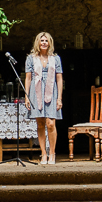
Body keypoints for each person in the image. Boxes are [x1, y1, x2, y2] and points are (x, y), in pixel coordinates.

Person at [24, 31, 64, 165]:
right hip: (36, 91)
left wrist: (59, 98)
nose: (44, 43)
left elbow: (59, 78)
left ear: (50, 43)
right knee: (40, 123)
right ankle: (44, 154)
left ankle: (52, 153)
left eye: (46, 41)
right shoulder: (31, 58)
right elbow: (28, 78)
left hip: (51, 91)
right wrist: (27, 96)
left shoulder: (55, 58)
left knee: (51, 123)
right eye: (42, 40)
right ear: (38, 43)